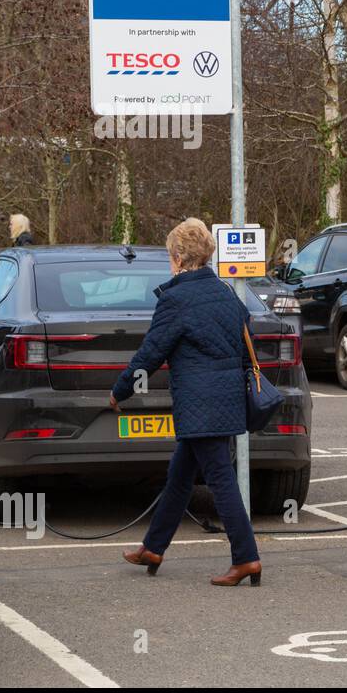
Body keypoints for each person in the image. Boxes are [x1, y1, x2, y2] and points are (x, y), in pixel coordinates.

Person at [114, 218, 262, 587]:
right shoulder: (226, 293)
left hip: (200, 403)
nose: (170, 262)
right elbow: (246, 340)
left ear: (179, 258)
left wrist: (120, 390)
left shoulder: (176, 299)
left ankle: (246, 557)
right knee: (180, 477)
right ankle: (153, 547)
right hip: (225, 398)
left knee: (221, 480)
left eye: (170, 256)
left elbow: (150, 354)